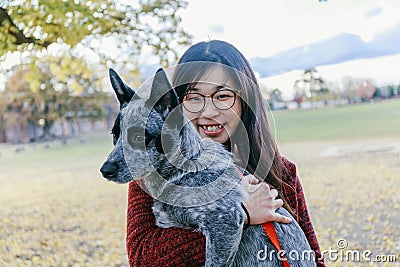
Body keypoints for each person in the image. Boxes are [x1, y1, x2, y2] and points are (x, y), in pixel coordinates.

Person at [126, 40, 325, 266]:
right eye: (193, 97)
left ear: (244, 101)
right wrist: (240, 215)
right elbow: (141, 257)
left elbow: (312, 258)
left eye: (223, 96)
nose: (208, 112)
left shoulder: (280, 170)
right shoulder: (154, 172)